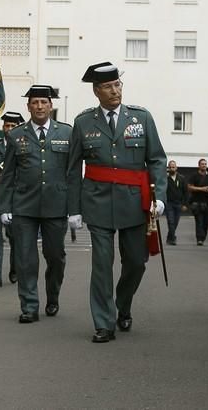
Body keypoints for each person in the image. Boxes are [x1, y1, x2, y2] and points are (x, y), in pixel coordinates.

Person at [67, 62, 167, 343]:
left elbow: (157, 159)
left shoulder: (141, 118)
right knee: (101, 264)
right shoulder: (84, 122)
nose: (115, 91)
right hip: (97, 202)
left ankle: (123, 304)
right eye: (109, 87)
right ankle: (103, 322)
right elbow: (74, 168)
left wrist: (159, 196)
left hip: (134, 203)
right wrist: (73, 209)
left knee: (136, 262)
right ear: (97, 91)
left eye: (118, 85)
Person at [0, 86, 71, 323]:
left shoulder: (67, 133)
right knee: (25, 258)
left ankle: (53, 295)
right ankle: (29, 306)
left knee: (56, 256)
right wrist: (5, 207)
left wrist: (75, 208)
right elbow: (8, 174)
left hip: (56, 205)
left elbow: (73, 174)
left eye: (43, 102)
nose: (39, 106)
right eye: (35, 102)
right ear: (28, 107)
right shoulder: (16, 135)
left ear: (51, 106)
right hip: (24, 205)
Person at [0, 111, 24, 288]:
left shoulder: (23, 145)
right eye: (7, 125)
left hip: (16, 198)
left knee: (16, 237)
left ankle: (15, 268)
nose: (9, 129)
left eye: (13, 126)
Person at [187, 158, 208, 246]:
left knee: (206, 222)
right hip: (197, 202)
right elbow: (189, 187)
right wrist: (201, 189)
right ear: (199, 165)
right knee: (199, 221)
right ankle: (199, 239)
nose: (204, 165)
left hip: (207, 202)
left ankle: (203, 237)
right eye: (202, 164)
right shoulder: (194, 175)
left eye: (205, 164)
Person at [165, 160, 188, 245]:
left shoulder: (181, 178)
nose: (172, 168)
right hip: (169, 203)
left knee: (175, 222)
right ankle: (173, 238)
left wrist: (185, 204)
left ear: (176, 168)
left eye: (173, 167)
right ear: (168, 168)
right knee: (170, 221)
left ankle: (169, 237)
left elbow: (186, 192)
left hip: (178, 203)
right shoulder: (165, 179)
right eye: (170, 167)